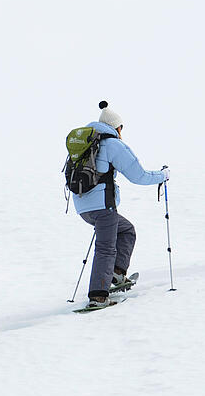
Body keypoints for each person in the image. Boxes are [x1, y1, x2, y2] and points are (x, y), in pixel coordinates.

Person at [71, 102, 170, 310]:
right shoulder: (112, 144)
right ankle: (98, 296)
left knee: (126, 231)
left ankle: (115, 273)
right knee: (105, 248)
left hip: (82, 206)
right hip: (103, 207)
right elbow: (139, 176)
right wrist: (163, 175)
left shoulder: (85, 142)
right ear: (117, 127)